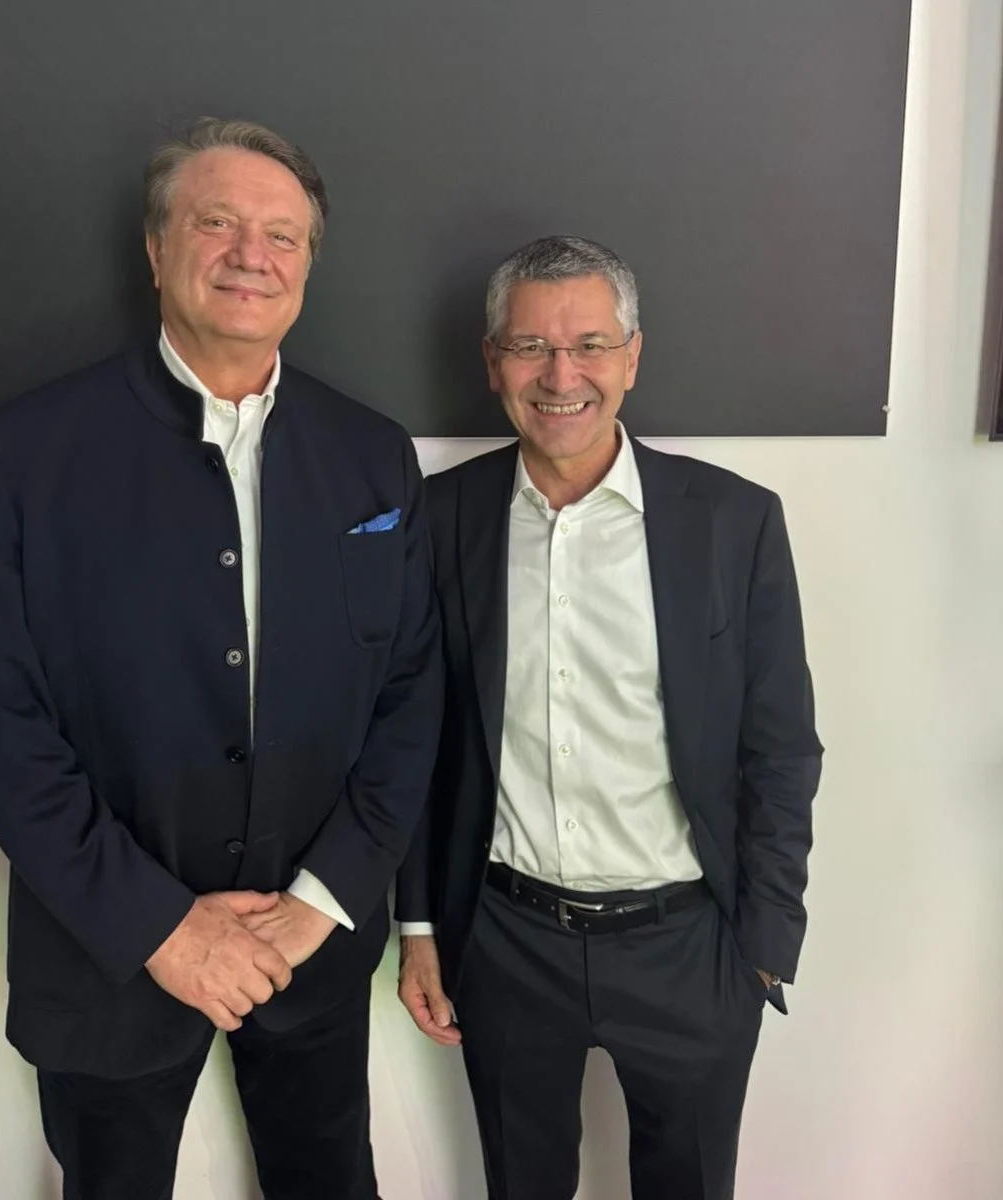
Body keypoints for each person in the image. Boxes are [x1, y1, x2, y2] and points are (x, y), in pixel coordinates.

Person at [0, 116, 442, 1200]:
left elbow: (409, 700)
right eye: (216, 223)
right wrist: (160, 928)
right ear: (156, 248)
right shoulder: (27, 452)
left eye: (281, 234)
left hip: (312, 954)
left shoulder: (373, 455)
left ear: (307, 264)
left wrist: (322, 900)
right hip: (108, 959)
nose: (250, 254)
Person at [396, 235, 821, 1199]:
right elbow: (416, 739)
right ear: (492, 361)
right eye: (531, 347)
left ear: (632, 356)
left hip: (692, 947)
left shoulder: (735, 522)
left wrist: (764, 947)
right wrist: (419, 926)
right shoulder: (441, 518)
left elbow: (780, 747)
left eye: (589, 345)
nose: (561, 376)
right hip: (504, 941)